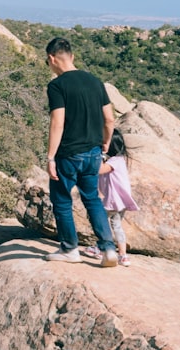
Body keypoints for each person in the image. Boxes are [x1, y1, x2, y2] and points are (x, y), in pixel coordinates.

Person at [44, 37, 119, 267]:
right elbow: (109, 119)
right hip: (93, 153)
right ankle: (108, 249)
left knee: (62, 201)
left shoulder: (57, 85)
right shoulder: (95, 82)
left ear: (51, 59)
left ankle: (69, 249)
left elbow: (58, 122)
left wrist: (50, 157)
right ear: (72, 56)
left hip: (69, 154)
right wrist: (106, 143)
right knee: (92, 200)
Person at [83, 128, 139, 266]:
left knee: (99, 219)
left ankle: (100, 248)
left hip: (113, 201)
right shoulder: (119, 160)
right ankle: (123, 256)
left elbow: (100, 169)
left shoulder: (114, 161)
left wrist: (98, 156)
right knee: (117, 226)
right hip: (121, 201)